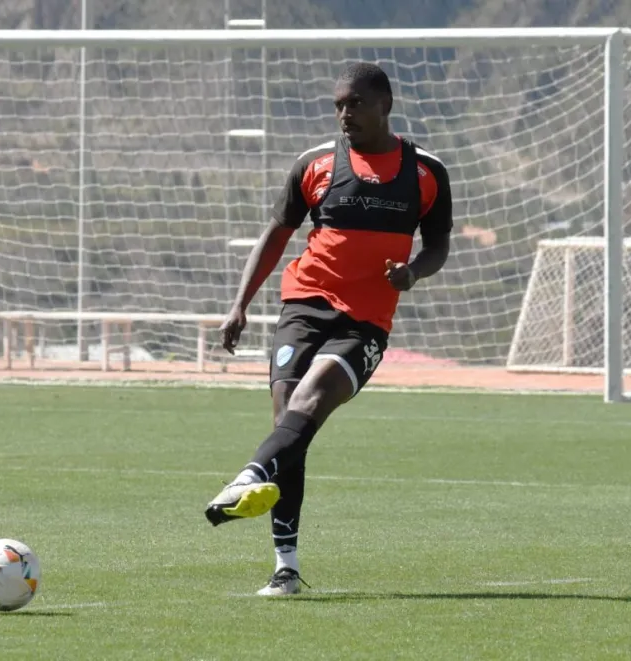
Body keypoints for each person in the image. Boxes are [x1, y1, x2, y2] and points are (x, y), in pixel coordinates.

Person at [204, 62, 453, 597]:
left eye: (355, 103)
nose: (345, 114)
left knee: (311, 400)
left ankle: (249, 477)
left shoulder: (426, 172)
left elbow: (438, 246)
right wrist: (239, 305)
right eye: (339, 105)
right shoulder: (314, 164)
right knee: (288, 419)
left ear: (385, 105)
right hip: (304, 305)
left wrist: (413, 272)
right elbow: (277, 233)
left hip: (365, 322)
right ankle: (285, 568)